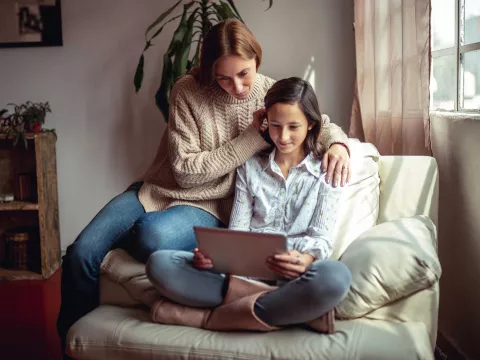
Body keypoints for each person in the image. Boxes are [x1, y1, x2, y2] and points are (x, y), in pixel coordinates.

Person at [57, 19, 351, 354]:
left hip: (210, 205)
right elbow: (183, 173)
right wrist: (251, 139)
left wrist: (339, 145)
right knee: (81, 252)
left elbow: (316, 122)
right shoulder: (186, 91)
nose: (237, 86)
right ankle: (69, 347)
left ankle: (223, 313)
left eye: (244, 73)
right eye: (223, 77)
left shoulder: (269, 95)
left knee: (151, 237)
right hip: (157, 190)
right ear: (208, 69)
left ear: (257, 59)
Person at [146, 77, 352, 333]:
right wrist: (216, 258)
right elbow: (238, 231)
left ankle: (212, 318)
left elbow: (321, 237)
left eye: (293, 127)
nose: (283, 136)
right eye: (275, 125)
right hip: (243, 274)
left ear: (311, 124)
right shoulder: (251, 166)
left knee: (335, 277)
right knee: (160, 264)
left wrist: (307, 259)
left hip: (294, 277)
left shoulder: (327, 170)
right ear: (266, 122)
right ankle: (285, 311)